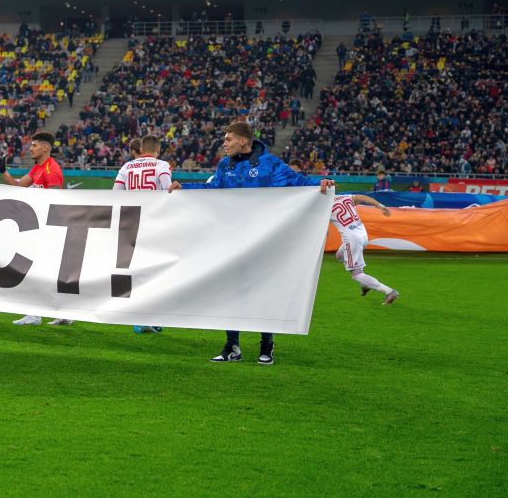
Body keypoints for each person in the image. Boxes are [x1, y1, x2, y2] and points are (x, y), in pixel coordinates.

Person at [170, 121, 335, 365]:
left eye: (228, 139)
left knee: (263, 292)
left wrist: (322, 183)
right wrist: (185, 188)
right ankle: (231, 347)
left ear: (243, 141)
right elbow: (213, 189)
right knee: (230, 292)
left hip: (262, 241)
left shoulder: (269, 164)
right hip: (232, 240)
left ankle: (266, 346)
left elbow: (297, 181)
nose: (224, 144)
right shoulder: (225, 164)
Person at [0, 132, 64, 325]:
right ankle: (64, 313)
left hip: (47, 226)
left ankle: (35, 314)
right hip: (39, 226)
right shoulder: (37, 169)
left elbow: (57, 200)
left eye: (35, 145)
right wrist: (3, 170)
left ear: (45, 148)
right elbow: (18, 186)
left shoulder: (51, 169)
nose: (30, 148)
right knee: (46, 271)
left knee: (36, 270)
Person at [113, 134, 172, 334]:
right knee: (154, 271)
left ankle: (139, 316)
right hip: (154, 223)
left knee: (135, 270)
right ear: (157, 149)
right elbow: (167, 190)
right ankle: (147, 317)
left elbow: (115, 194)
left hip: (130, 223)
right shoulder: (162, 165)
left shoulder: (126, 167)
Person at [329, 192, 400, 305]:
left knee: (357, 274)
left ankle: (389, 292)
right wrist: (381, 206)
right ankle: (366, 284)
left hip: (352, 238)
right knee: (340, 255)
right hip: (362, 233)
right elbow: (363, 198)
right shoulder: (343, 197)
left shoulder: (325, 206)